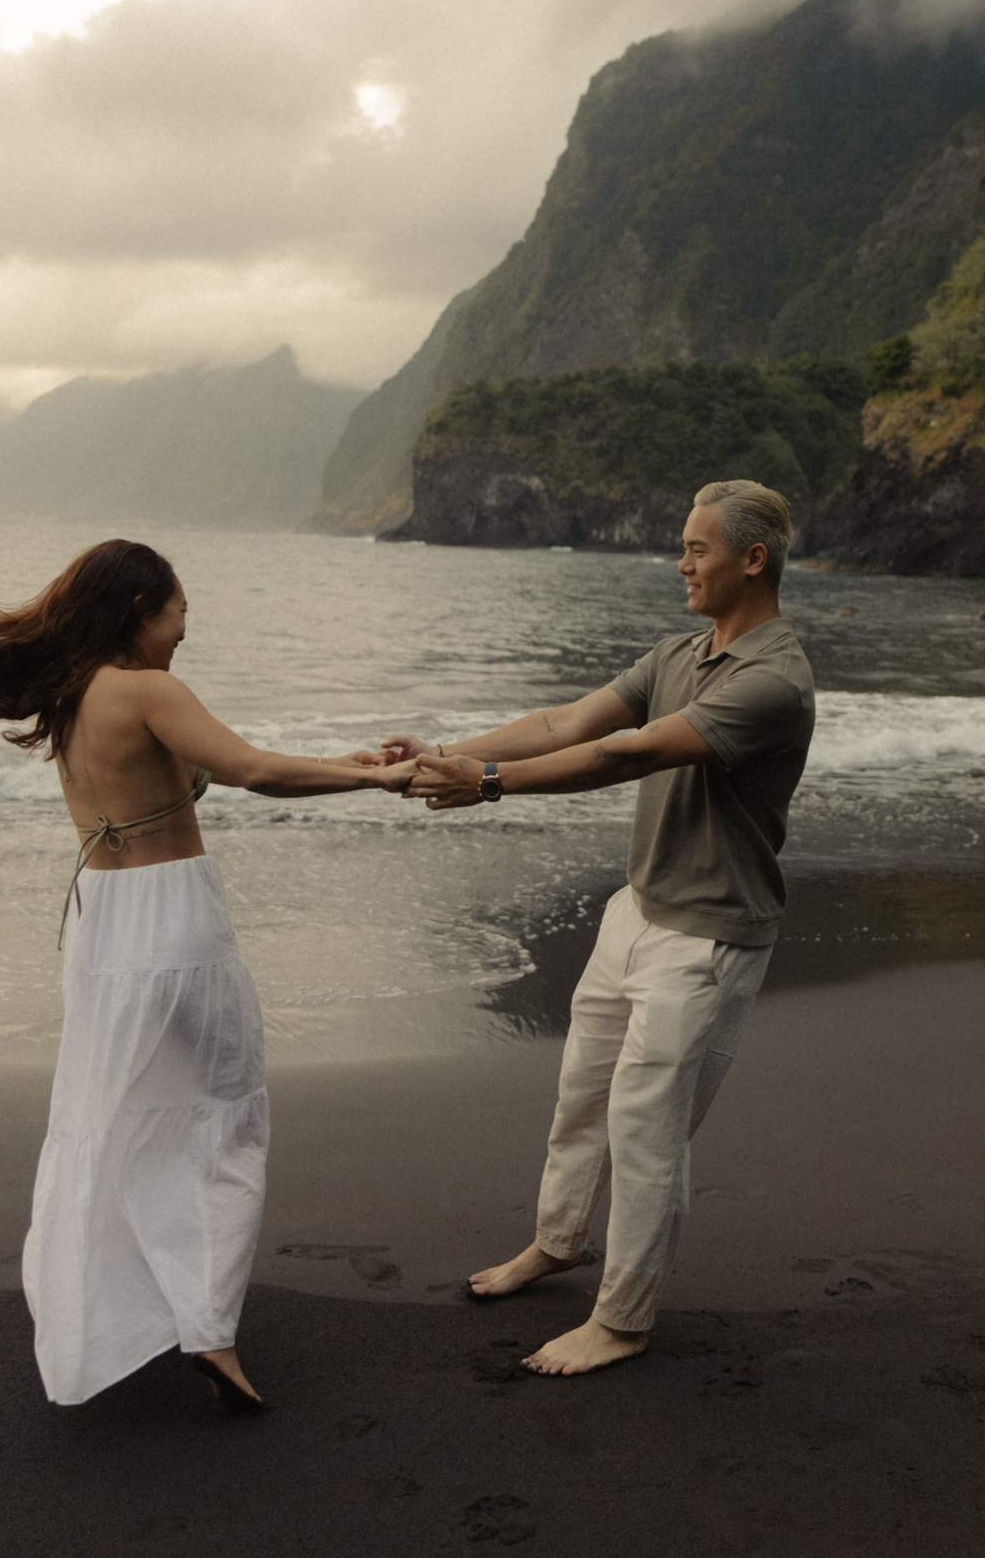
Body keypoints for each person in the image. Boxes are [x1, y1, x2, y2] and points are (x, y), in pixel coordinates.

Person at [0, 539, 411, 1414]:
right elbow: (253, 770)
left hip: (101, 928)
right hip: (174, 921)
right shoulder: (148, 689)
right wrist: (380, 782)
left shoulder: (72, 696)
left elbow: (198, 772)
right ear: (141, 608)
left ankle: (101, 1314)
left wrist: (347, 765)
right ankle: (208, 1329)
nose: (185, 630)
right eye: (180, 611)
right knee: (222, 1112)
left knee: (110, 1116)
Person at [395, 480, 816, 1377]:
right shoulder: (677, 653)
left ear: (753, 560)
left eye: (697, 547)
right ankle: (557, 1242)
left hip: (707, 937)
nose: (680, 562)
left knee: (647, 1130)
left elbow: (628, 751)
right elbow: (566, 722)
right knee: (583, 1097)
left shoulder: (774, 680)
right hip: (638, 911)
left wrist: (490, 784)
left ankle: (622, 1319)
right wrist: (451, 754)